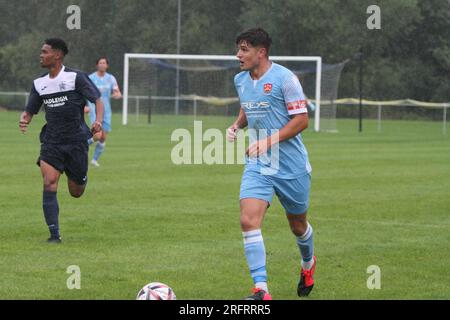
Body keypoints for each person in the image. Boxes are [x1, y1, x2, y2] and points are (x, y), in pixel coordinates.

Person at [227, 28, 316, 300]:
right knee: (248, 219)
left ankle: (308, 264)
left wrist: (268, 141)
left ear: (261, 52)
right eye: (238, 49)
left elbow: (301, 120)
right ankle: (261, 290)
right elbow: (248, 106)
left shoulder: (285, 79)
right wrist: (236, 125)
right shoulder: (240, 79)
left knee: (298, 225)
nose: (238, 55)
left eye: (244, 49)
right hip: (259, 164)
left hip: (291, 166)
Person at [19, 38, 104, 243]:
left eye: (44, 52)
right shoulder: (39, 83)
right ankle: (54, 235)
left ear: (57, 55)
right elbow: (31, 110)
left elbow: (97, 100)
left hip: (76, 142)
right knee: (49, 183)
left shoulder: (75, 77)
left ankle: (80, 174)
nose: (41, 55)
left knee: (76, 191)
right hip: (52, 142)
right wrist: (25, 119)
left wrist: (98, 121)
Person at [85, 57, 122, 167]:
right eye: (100, 63)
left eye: (104, 63)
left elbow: (117, 92)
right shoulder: (90, 78)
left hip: (106, 111)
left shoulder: (111, 78)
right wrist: (85, 106)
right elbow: (84, 92)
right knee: (97, 133)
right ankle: (81, 146)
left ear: (107, 65)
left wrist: (117, 95)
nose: (102, 65)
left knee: (103, 137)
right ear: (97, 65)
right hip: (93, 110)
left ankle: (94, 160)